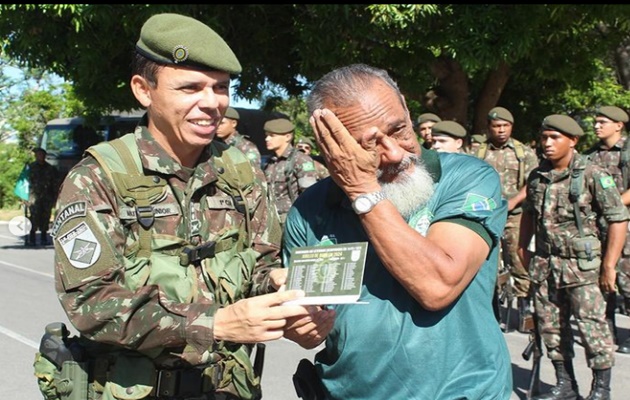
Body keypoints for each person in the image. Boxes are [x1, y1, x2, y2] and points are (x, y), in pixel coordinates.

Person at [41, 13, 318, 400]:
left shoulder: (240, 170)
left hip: (228, 389)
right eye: (190, 88)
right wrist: (214, 323)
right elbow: (91, 304)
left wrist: (280, 293)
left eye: (221, 88)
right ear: (143, 90)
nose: (211, 103)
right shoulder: (98, 177)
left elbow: (261, 264)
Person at [282, 63, 512, 399]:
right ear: (332, 148)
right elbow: (310, 323)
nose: (395, 152)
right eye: (369, 145)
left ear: (406, 106)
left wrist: (362, 190)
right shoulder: (311, 210)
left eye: (399, 129)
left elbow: (437, 285)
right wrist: (302, 326)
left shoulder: (466, 177)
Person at [518, 114, 629, 400]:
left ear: (573, 141)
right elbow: (528, 214)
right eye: (544, 137)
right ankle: (565, 384)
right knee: (550, 327)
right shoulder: (537, 176)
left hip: (583, 268)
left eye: (555, 137)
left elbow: (618, 219)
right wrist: (523, 250)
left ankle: (600, 389)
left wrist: (609, 266)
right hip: (546, 265)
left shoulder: (592, 174)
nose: (547, 143)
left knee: (593, 328)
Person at [475, 106, 540, 332]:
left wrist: (513, 202)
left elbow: (533, 181)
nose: (501, 130)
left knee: (518, 261)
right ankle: (493, 314)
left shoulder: (523, 152)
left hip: (515, 215)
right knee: (488, 263)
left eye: (505, 126)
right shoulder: (478, 151)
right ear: (489, 128)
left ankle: (524, 312)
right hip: (487, 215)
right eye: (496, 126)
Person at [584, 105, 630, 353]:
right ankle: (607, 329)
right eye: (596, 121)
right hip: (597, 228)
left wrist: (609, 205)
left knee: (627, 280)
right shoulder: (590, 156)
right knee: (601, 279)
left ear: (619, 125)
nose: (596, 125)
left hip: (624, 227)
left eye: (602, 122)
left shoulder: (627, 152)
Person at [263, 118, 318, 225]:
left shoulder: (300, 159)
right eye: (266, 135)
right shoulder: (270, 162)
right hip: (272, 219)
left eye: (272, 135)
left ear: (288, 137)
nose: (267, 139)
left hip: (292, 220)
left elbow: (311, 194)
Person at [26, 147, 59, 246]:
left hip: (47, 197)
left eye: (41, 154)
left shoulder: (51, 169)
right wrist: (24, 197)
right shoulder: (30, 168)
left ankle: (44, 238)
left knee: (45, 217)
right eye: (38, 154)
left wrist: (55, 198)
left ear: (45, 156)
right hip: (34, 197)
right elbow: (25, 183)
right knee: (33, 217)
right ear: (36, 156)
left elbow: (55, 184)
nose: (40, 156)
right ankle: (32, 238)